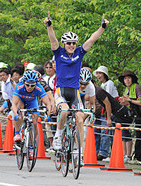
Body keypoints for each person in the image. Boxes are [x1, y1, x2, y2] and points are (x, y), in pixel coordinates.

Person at [44, 12, 109, 165]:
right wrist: (49, 25)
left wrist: (102, 28)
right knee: (65, 111)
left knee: (80, 119)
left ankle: (78, 153)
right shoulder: (58, 52)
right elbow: (52, 39)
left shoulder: (79, 53)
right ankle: (58, 136)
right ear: (64, 44)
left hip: (74, 93)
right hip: (60, 91)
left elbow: (92, 40)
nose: (72, 45)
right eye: (69, 43)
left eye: (74, 43)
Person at [12, 70, 51, 142]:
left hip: (32, 101)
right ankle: (17, 133)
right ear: (24, 83)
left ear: (36, 84)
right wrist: (15, 114)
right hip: (21, 100)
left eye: (32, 85)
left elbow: (48, 103)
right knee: (19, 113)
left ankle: (32, 142)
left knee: (34, 122)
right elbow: (14, 103)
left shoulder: (39, 88)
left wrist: (48, 115)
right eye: (27, 85)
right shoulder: (19, 86)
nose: (30, 87)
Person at [93, 65, 119, 161]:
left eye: (100, 73)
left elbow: (107, 100)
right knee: (99, 132)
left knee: (106, 132)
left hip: (109, 111)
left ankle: (104, 153)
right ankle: (98, 151)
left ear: (104, 74)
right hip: (103, 111)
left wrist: (108, 117)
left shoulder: (109, 83)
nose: (98, 75)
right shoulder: (102, 85)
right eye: (97, 73)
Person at [43, 60, 57, 152]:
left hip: (54, 102)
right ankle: (51, 145)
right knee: (48, 126)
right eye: (47, 67)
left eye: (50, 67)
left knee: (54, 124)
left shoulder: (56, 77)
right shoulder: (45, 79)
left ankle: (56, 144)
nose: (48, 69)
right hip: (46, 103)